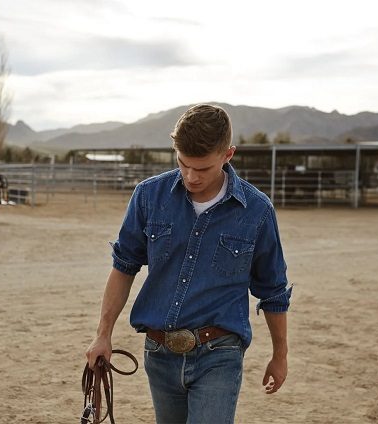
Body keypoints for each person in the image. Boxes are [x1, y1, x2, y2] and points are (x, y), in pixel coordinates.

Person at [86, 104, 292, 423]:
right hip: (159, 352)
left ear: (228, 155)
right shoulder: (148, 197)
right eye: (183, 164)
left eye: (203, 168)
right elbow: (124, 266)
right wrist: (103, 334)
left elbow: (274, 291)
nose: (191, 177)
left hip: (220, 353)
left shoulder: (257, 211)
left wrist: (280, 355)